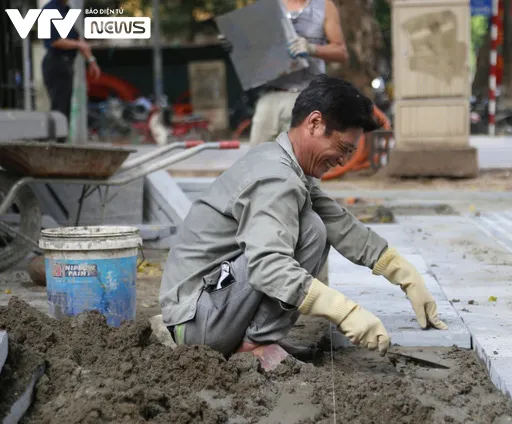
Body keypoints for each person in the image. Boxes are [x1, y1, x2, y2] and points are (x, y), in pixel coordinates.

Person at [158, 76, 447, 370]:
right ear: (314, 123)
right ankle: (255, 343)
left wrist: (404, 273)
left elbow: (340, 223)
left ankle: (258, 338)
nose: (344, 161)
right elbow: (267, 266)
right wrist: (344, 311)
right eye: (344, 148)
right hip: (196, 323)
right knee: (309, 230)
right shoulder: (276, 177)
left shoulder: (285, 164)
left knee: (315, 223)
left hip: (208, 309)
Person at [248, 0, 349, 147]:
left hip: (307, 96)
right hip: (270, 96)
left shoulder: (324, 5)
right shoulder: (268, 6)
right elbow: (253, 48)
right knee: (257, 159)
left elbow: (341, 52)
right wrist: (236, 43)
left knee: (300, 160)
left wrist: (312, 49)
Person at [41, 0, 101, 129]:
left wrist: (91, 60)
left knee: (65, 105)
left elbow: (77, 38)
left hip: (67, 63)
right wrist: (79, 45)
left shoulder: (66, 10)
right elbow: (55, 41)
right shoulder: (49, 10)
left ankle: (62, 139)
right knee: (60, 105)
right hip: (56, 62)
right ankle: (57, 142)